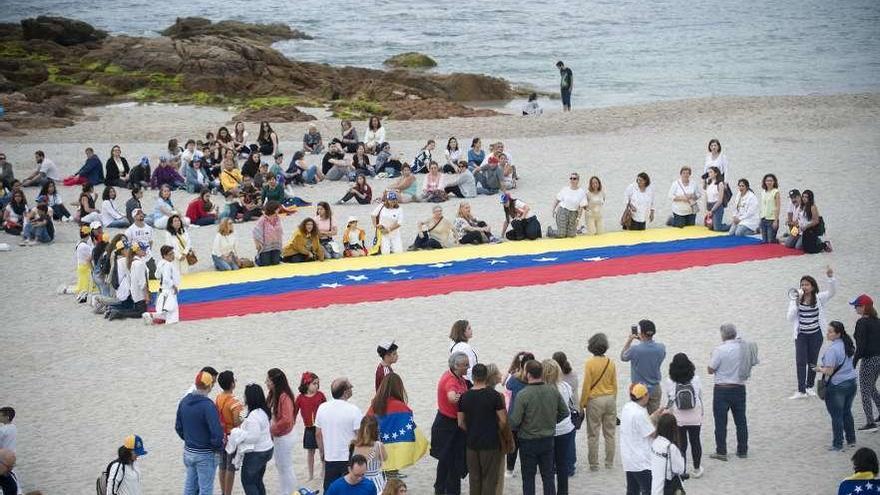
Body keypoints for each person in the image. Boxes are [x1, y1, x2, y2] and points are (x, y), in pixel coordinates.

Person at [509, 359, 568, 495]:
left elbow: (515, 421)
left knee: (528, 478)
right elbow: (565, 412)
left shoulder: (523, 395)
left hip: (528, 440)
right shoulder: (552, 391)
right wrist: (552, 421)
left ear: (528, 374)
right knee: (548, 476)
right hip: (547, 439)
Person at [787, 267, 837, 399]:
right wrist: (797, 304)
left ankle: (809, 386)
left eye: (807, 284)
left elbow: (832, 293)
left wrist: (830, 278)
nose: (804, 287)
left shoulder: (819, 298)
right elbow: (790, 318)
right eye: (802, 284)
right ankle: (801, 390)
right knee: (800, 361)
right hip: (801, 335)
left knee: (812, 361)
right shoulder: (795, 299)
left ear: (813, 286)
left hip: (816, 334)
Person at [458, 363, 507, 495]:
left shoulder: (464, 396)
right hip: (490, 443)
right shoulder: (495, 396)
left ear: (473, 377)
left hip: (472, 443)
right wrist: (495, 430)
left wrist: (471, 430)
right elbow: (503, 420)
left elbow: (460, 422)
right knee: (489, 480)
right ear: (486, 377)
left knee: (474, 479)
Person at [176, 370, 224, 495]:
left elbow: (178, 427)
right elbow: (217, 432)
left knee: (190, 487)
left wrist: (189, 439)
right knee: (206, 489)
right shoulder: (208, 405)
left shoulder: (184, 401)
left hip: (189, 451)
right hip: (205, 453)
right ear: (209, 386)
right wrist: (216, 447)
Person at [707, 324, 750, 461]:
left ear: (723, 335)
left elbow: (710, 369)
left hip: (722, 389)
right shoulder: (742, 348)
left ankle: (721, 451)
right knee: (741, 421)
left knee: (720, 422)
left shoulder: (719, 350)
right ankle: (742, 450)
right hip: (739, 387)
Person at [431, 352, 469, 495]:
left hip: (447, 423)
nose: (468, 366)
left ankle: (440, 490)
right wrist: (464, 397)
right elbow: (451, 397)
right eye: (465, 365)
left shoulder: (455, 376)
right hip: (448, 425)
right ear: (456, 366)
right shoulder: (451, 380)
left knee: (445, 461)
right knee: (452, 462)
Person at [816, 321, 858, 451]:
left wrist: (818, 369)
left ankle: (837, 444)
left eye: (830, 332)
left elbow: (829, 371)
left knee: (836, 416)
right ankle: (851, 440)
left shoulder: (833, 350)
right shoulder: (847, 345)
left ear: (838, 334)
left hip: (837, 385)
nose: (827, 334)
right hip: (851, 382)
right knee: (847, 412)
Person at [316, 378, 364, 490]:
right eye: (350, 387)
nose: (352, 388)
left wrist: (322, 454)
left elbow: (318, 434)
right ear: (345, 391)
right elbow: (360, 435)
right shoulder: (354, 410)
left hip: (330, 457)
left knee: (330, 489)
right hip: (348, 458)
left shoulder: (322, 408)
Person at [620, 383, 667, 495]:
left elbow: (641, 425)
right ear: (644, 396)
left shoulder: (627, 407)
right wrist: (662, 421)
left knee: (632, 490)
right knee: (650, 490)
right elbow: (653, 434)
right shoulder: (640, 413)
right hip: (641, 461)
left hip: (628, 458)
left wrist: (655, 415)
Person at [580, 333, 617, 472]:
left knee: (593, 434)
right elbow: (615, 385)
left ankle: (594, 464)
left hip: (595, 400)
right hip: (610, 398)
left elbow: (586, 385)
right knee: (610, 433)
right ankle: (609, 462)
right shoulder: (611, 362)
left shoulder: (589, 363)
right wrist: (614, 399)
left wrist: (582, 403)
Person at [228, 383, 274, 495]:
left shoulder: (253, 416)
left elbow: (253, 437)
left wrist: (239, 436)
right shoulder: (264, 411)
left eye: (245, 396)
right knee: (258, 480)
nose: (244, 398)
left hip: (257, 453)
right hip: (267, 449)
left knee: (248, 482)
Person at [663, 353, 704, 478]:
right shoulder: (695, 379)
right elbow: (699, 395)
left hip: (679, 417)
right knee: (695, 441)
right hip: (695, 416)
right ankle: (697, 468)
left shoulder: (670, 381)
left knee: (681, 444)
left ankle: (683, 470)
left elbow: (670, 399)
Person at [542, 359, 576, 494]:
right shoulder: (565, 387)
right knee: (562, 464)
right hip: (565, 428)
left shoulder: (542, 389)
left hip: (548, 430)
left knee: (548, 467)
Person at [621, 320, 667, 413]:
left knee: (637, 417)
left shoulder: (635, 349)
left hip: (638, 389)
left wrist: (629, 340)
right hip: (655, 388)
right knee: (654, 420)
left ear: (641, 332)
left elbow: (623, 357)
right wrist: (643, 341)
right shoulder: (661, 348)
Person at [266, 368, 298, 495]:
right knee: (281, 466)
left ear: (274, 382)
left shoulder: (284, 397)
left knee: (286, 466)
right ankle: (286, 491)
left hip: (284, 436)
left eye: (268, 380)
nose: (266, 382)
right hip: (278, 435)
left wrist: (271, 429)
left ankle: (290, 492)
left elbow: (287, 420)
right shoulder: (273, 394)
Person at [851, 294, 880, 431]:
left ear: (863, 307)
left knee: (864, 390)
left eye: (857, 306)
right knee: (871, 386)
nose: (855, 308)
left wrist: (854, 361)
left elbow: (861, 346)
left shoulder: (862, 322)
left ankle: (870, 422)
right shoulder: (877, 321)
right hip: (879, 358)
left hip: (869, 359)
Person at [504, 351, 536, 478]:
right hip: (529, 419)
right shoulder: (535, 381)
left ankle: (509, 470)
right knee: (529, 447)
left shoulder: (513, 379)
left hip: (514, 418)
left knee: (513, 446)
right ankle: (529, 469)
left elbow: (506, 387)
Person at [295, 372, 327, 481]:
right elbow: (294, 412)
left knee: (323, 450)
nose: (316, 386)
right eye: (314, 383)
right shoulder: (300, 398)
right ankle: (311, 474)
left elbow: (326, 409)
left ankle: (323, 469)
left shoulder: (320, 395)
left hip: (321, 427)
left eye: (318, 383)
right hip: (308, 428)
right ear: (306, 384)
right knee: (310, 452)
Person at [215, 371, 243, 495]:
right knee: (230, 467)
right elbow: (237, 421)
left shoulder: (218, 397)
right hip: (231, 436)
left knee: (222, 465)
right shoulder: (235, 402)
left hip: (222, 435)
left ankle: (223, 492)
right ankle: (228, 493)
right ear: (232, 384)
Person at [141, 245, 180, 325]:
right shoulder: (168, 265)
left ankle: (150, 315)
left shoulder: (160, 263)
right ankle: (150, 315)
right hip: (169, 290)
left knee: (166, 312)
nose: (173, 255)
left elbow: (157, 275)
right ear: (165, 255)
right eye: (170, 254)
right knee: (172, 316)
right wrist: (174, 286)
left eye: (173, 253)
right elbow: (166, 278)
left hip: (163, 290)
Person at [650, 414, 686, 495]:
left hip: (655, 485)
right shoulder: (671, 447)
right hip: (667, 487)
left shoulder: (655, 442)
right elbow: (680, 469)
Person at [351, 415, 387, 492]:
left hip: (357, 482)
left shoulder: (353, 445)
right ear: (376, 430)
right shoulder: (378, 446)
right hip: (376, 483)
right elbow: (385, 458)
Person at [551, 172, 586, 238]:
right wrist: (553, 209)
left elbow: (581, 207)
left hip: (573, 213)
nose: (572, 180)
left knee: (571, 235)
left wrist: (578, 218)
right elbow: (557, 199)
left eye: (574, 178)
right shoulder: (565, 189)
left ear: (578, 180)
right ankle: (550, 231)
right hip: (563, 211)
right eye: (571, 178)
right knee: (562, 234)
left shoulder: (581, 192)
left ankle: (576, 230)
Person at [252, 201, 283, 266]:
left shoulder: (278, 218)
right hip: (266, 245)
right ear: (273, 209)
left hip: (276, 244)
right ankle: (257, 258)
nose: (279, 210)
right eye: (277, 208)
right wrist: (257, 243)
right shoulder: (263, 219)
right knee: (265, 264)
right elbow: (255, 231)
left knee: (276, 262)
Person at [702, 166, 727, 231]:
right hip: (709, 205)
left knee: (717, 228)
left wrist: (712, 210)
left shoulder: (720, 184)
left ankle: (732, 226)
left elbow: (720, 200)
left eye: (711, 172)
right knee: (709, 226)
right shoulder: (709, 183)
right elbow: (705, 196)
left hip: (717, 206)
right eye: (708, 172)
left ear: (716, 173)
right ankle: (716, 223)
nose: (709, 174)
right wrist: (706, 210)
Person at [759, 173, 781, 243]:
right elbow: (763, 206)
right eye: (767, 181)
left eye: (771, 181)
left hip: (771, 219)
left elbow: (778, 206)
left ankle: (778, 242)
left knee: (770, 241)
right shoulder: (763, 192)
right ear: (764, 182)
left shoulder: (776, 192)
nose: (769, 182)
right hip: (763, 219)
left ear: (774, 182)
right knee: (764, 241)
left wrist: (776, 220)